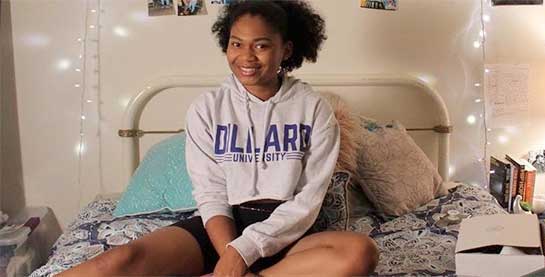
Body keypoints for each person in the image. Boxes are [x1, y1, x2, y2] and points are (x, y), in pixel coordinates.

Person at [58, 1, 379, 276]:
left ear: (286, 49)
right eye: (236, 44)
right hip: (221, 227)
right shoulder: (207, 109)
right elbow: (210, 194)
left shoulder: (315, 109)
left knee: (361, 252)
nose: (246, 56)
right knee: (116, 262)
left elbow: (307, 202)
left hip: (290, 234)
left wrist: (245, 254)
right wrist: (231, 253)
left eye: (261, 45)